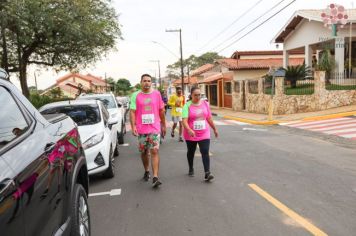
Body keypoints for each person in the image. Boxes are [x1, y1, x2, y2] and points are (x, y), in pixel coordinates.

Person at [130, 74, 166, 188]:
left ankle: (155, 177)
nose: (147, 83)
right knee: (144, 152)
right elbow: (132, 111)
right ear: (141, 82)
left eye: (149, 81)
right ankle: (146, 170)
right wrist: (133, 126)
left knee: (154, 151)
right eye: (144, 81)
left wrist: (163, 125)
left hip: (154, 127)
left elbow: (161, 110)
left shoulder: (157, 94)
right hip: (142, 128)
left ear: (151, 83)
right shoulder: (135, 95)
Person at [182, 86, 218, 181]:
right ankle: (191, 168)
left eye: (199, 95)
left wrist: (214, 128)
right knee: (191, 152)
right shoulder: (187, 106)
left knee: (205, 151)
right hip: (191, 134)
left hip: (204, 132)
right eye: (195, 95)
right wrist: (189, 129)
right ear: (191, 95)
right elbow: (184, 121)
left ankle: (207, 172)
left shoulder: (205, 104)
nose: (198, 97)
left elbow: (209, 118)